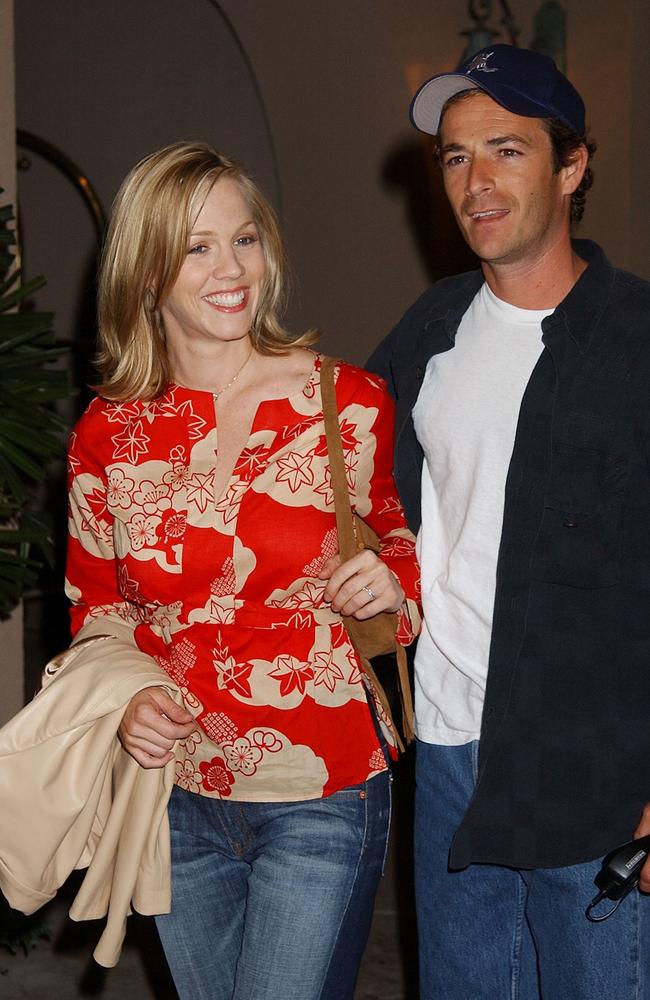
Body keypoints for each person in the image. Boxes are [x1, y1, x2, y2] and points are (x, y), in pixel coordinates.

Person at [65, 141, 420, 999]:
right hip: (174, 792)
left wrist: (393, 582)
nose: (232, 269)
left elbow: (400, 539)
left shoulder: (347, 401)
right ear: (148, 275)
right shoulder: (108, 433)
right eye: (196, 247)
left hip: (323, 787)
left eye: (246, 239)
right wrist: (128, 703)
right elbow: (94, 607)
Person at [368, 43, 650, 1000]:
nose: (475, 182)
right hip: (448, 755)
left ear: (573, 166)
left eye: (506, 150)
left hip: (594, 772)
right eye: (454, 156)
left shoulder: (638, 345)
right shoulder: (424, 335)